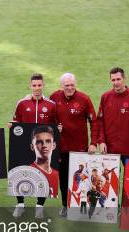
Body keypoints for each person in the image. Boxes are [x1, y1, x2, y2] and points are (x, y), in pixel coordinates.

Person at [9, 73, 57, 218]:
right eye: (34, 85)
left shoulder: (51, 105)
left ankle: (39, 206)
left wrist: (58, 129)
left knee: (42, 172)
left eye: (39, 85)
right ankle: (20, 204)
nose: (37, 88)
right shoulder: (22, 103)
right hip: (25, 144)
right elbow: (16, 121)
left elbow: (54, 125)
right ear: (30, 86)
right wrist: (12, 125)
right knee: (20, 171)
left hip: (42, 147)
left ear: (43, 86)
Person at [49, 73, 97, 217]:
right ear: (61, 86)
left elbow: (93, 121)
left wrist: (93, 143)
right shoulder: (53, 98)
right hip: (61, 148)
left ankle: (85, 206)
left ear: (75, 84)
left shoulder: (84, 99)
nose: (70, 88)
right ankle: (65, 205)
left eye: (72, 85)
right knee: (63, 178)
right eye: (66, 85)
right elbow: (48, 118)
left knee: (83, 180)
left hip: (80, 149)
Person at [96, 67, 129, 164]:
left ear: (124, 79)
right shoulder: (105, 97)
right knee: (110, 179)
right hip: (109, 150)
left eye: (118, 79)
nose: (115, 82)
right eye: (113, 80)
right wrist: (101, 141)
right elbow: (100, 121)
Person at [29, 125, 59, 199]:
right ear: (32, 146)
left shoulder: (57, 174)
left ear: (54, 145)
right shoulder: (28, 172)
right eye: (39, 142)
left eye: (48, 141)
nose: (44, 145)